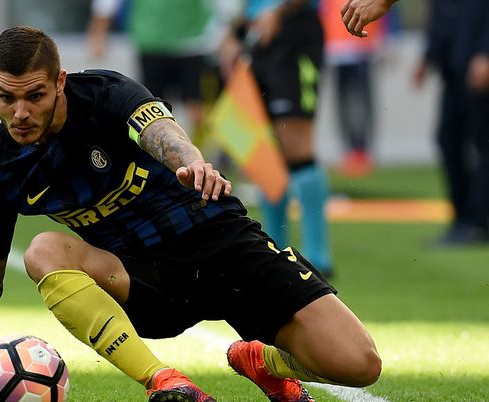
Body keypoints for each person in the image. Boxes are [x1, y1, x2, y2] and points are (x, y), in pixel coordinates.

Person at [0, 26, 381, 402]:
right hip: (146, 281)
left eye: (34, 95)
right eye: (6, 97)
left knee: (359, 364)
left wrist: (190, 163)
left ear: (60, 82)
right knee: (42, 250)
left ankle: (262, 361)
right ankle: (164, 382)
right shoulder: (2, 172)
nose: (20, 113)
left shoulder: (104, 93)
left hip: (222, 239)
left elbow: (159, 130)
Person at [220, 0, 334, 276]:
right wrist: (235, 33)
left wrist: (279, 11)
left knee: (296, 145)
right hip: (256, 35)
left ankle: (317, 256)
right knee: (267, 148)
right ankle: (274, 250)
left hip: (293, 31)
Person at [87, 0, 228, 144]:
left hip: (192, 45)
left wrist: (225, 36)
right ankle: (160, 150)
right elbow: (107, 4)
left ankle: (198, 152)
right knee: (152, 108)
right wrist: (98, 34)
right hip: (152, 44)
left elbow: (225, 6)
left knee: (196, 108)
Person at [413, 0, 489, 245]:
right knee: (448, 140)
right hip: (454, 68)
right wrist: (428, 57)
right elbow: (442, 14)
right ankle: (463, 218)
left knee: (482, 145)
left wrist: (486, 53)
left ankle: (478, 221)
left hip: (478, 66)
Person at [320, 0, 387, 177]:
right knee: (343, 104)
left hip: (360, 48)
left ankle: (362, 150)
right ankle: (350, 151)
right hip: (335, 50)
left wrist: (381, 41)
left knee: (361, 102)